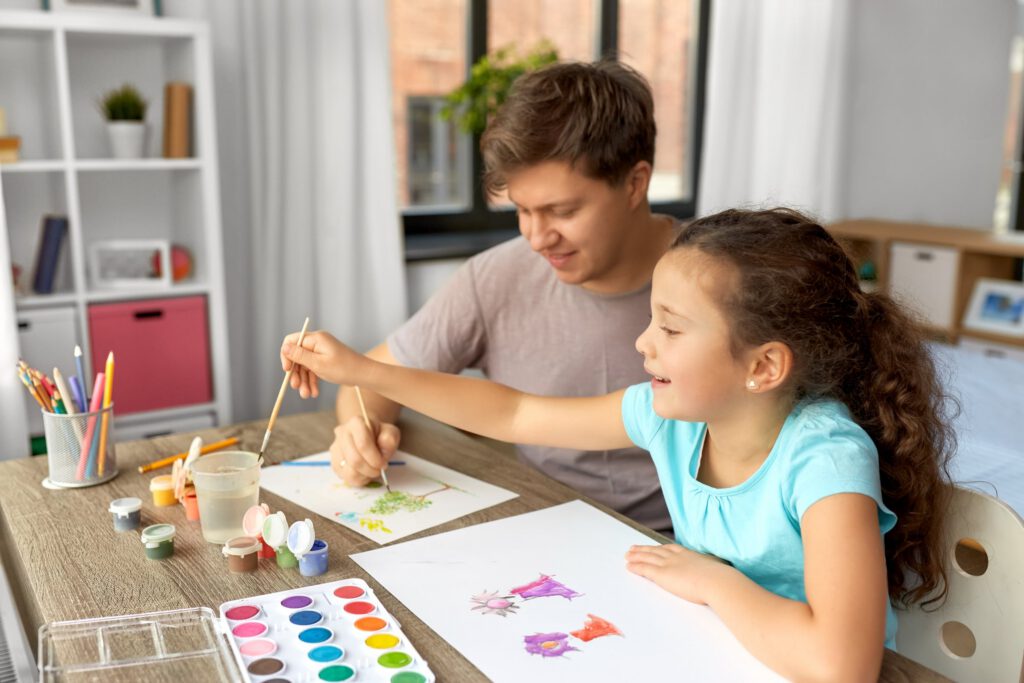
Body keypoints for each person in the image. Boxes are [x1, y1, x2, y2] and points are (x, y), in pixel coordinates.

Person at [281, 207, 954, 680]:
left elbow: (843, 664)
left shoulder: (826, 459)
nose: (643, 342)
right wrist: (363, 372)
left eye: (669, 327)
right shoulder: (675, 418)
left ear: (763, 367)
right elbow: (515, 411)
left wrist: (715, 583)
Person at [325, 60, 679, 533]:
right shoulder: (497, 277)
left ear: (635, 183)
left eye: (562, 211)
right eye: (522, 210)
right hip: (543, 529)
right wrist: (359, 433)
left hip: (685, 544)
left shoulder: (718, 281)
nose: (537, 238)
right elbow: (367, 384)